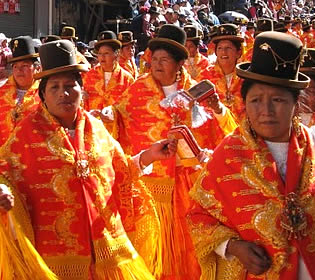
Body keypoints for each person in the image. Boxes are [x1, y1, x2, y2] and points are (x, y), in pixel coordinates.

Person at [188, 31, 315, 279]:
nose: (266, 110)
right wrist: (232, 247)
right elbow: (199, 215)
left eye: (277, 100)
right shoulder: (228, 157)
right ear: (245, 104)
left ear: (296, 104)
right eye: (256, 100)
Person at [0, 39, 177, 279]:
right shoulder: (26, 134)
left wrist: (149, 156)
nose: (64, 93)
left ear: (82, 91)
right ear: (42, 95)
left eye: (70, 85)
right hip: (55, 258)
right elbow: (5, 175)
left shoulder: (96, 129)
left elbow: (119, 171)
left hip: (105, 251)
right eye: (54, 87)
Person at [106, 24, 236, 279]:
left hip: (191, 186)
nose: (157, 64)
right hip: (151, 187)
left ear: (179, 64)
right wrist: (106, 116)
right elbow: (118, 121)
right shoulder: (137, 90)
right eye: (154, 59)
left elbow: (226, 135)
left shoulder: (199, 92)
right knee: (154, 252)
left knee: (191, 251)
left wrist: (219, 109)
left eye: (164, 59)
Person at [197, 23, 245, 122]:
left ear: (238, 52)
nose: (223, 52)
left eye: (228, 48)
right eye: (220, 48)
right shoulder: (204, 77)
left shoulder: (246, 77)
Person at [0, 36, 41, 146]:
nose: (19, 70)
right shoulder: (2, 93)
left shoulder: (45, 93)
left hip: (33, 154)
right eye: (15, 66)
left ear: (37, 68)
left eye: (25, 65)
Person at [83, 31, 134, 111]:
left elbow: (131, 107)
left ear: (116, 54)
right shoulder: (89, 76)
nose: (102, 57)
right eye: (100, 54)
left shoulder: (126, 79)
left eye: (106, 53)